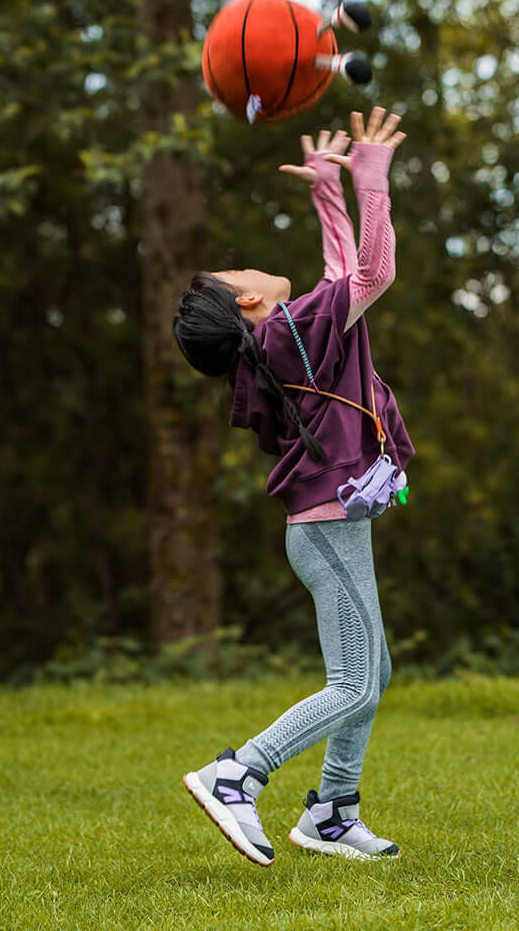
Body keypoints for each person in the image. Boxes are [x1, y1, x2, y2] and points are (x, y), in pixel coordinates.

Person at [173, 106, 412, 865]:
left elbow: (346, 279)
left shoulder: (284, 343)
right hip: (327, 529)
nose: (248, 266)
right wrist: (370, 178)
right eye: (236, 272)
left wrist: (329, 195)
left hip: (328, 529)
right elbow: (374, 274)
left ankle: (333, 812)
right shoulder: (286, 335)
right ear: (247, 302)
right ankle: (236, 773)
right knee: (352, 682)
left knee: (372, 671)